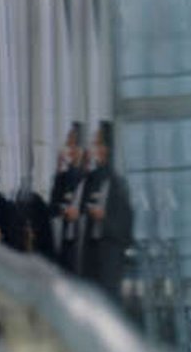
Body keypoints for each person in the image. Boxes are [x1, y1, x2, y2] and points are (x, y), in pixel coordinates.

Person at [74, 121, 134, 302]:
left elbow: (125, 231)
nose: (95, 149)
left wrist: (104, 219)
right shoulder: (92, 179)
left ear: (108, 148)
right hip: (90, 261)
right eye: (95, 144)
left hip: (109, 265)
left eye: (99, 144)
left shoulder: (118, 185)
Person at [51, 122, 88, 272]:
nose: (69, 149)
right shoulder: (62, 177)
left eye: (73, 145)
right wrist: (63, 210)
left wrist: (79, 212)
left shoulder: (89, 177)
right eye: (68, 144)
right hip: (65, 241)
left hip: (83, 244)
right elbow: (52, 208)